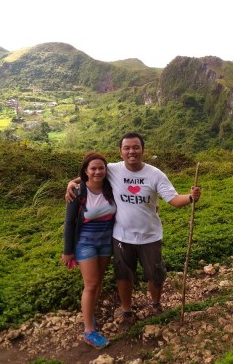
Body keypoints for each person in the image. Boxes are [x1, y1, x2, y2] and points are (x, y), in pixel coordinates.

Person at [66, 132, 201, 330]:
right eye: (127, 148)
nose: (132, 152)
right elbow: (93, 173)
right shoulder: (113, 169)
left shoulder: (155, 174)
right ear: (120, 152)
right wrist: (72, 183)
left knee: (155, 274)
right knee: (123, 275)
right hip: (121, 236)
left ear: (143, 150)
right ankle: (127, 311)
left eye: (136, 147)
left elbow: (173, 200)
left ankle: (155, 305)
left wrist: (190, 197)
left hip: (150, 235)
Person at [62, 152, 116, 349]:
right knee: (91, 284)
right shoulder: (77, 191)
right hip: (85, 243)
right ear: (85, 171)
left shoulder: (111, 186)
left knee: (98, 282)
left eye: (101, 168)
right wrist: (68, 251)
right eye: (92, 168)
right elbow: (69, 223)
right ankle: (89, 331)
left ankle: (90, 312)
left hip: (106, 242)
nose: (97, 171)